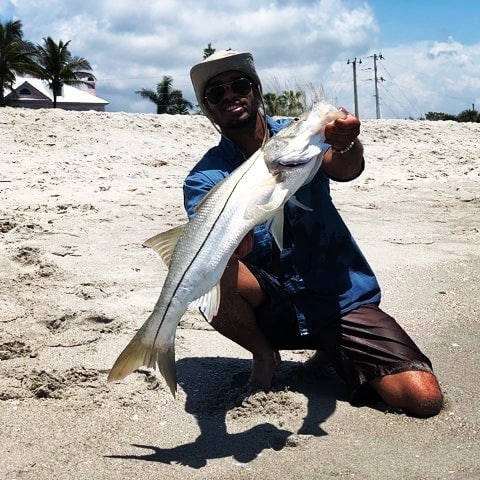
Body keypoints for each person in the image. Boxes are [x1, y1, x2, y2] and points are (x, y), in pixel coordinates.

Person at [183, 50, 443, 417]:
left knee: (423, 397)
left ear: (256, 91)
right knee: (209, 267)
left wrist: (345, 141)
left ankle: (330, 349)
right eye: (216, 93)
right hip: (270, 305)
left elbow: (345, 167)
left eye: (238, 84)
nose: (230, 95)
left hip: (337, 297)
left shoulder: (296, 135)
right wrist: (230, 244)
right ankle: (263, 353)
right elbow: (203, 238)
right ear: (208, 109)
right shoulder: (204, 176)